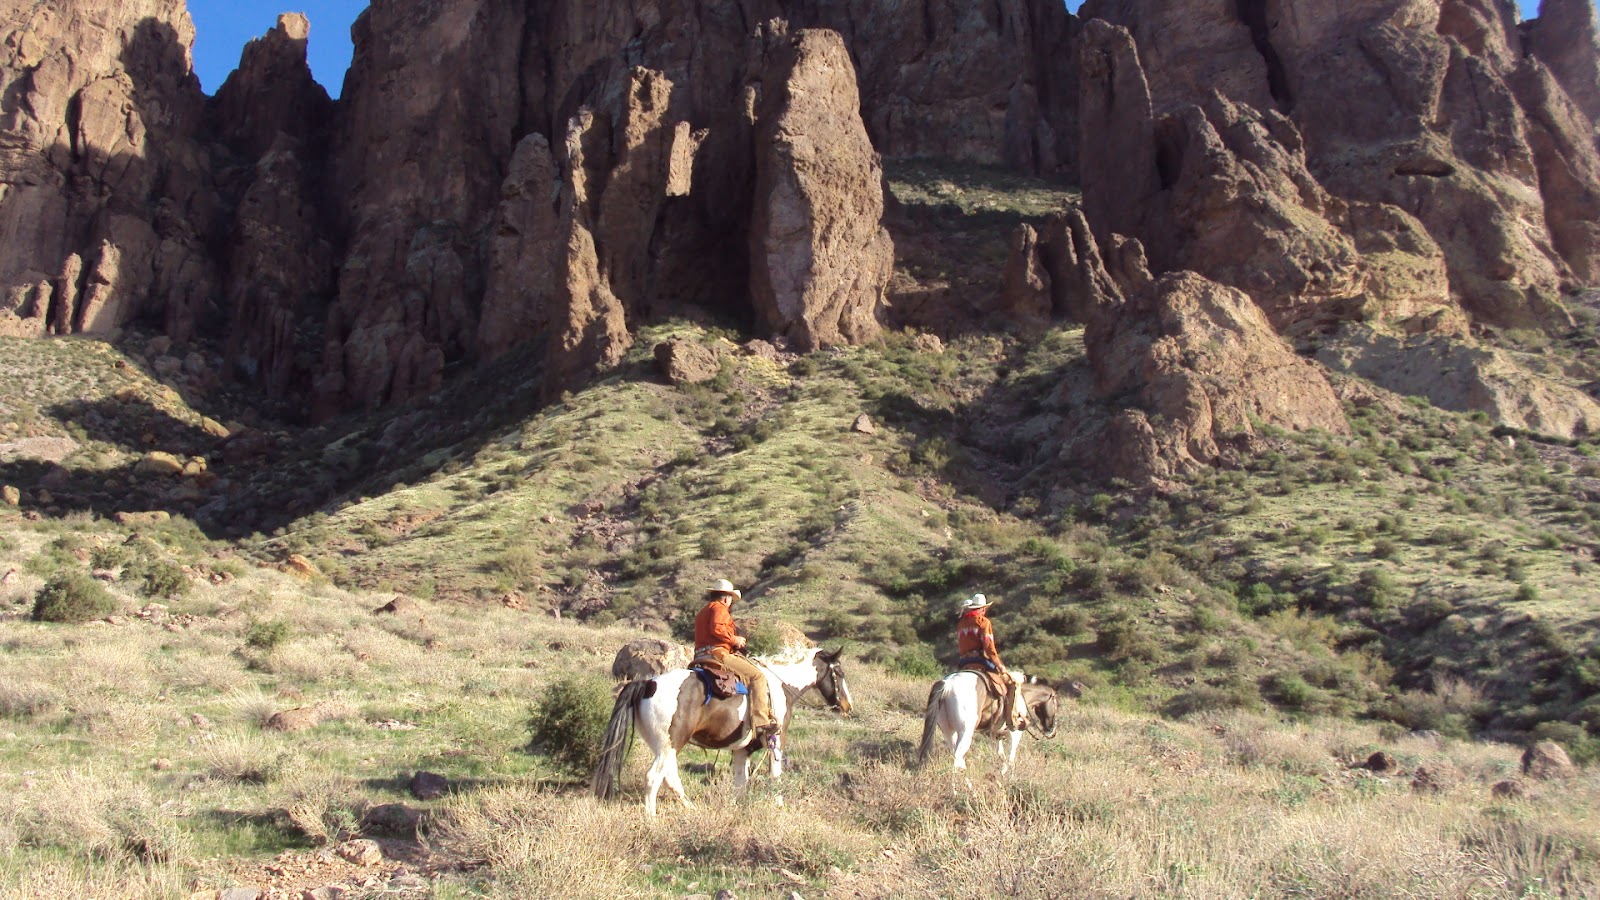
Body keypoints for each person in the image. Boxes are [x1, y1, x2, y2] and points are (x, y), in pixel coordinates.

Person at [692, 579, 779, 748]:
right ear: (726, 598)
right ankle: (761, 722)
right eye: (731, 599)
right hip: (718, 654)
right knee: (757, 676)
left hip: (699, 656)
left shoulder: (703, 611)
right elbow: (717, 629)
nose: (730, 602)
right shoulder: (719, 608)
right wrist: (735, 640)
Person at [955, 592, 1027, 733]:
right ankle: (1011, 720)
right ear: (982, 608)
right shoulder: (983, 622)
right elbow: (989, 648)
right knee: (1012, 682)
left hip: (964, 661)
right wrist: (999, 665)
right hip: (980, 661)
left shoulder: (961, 623)